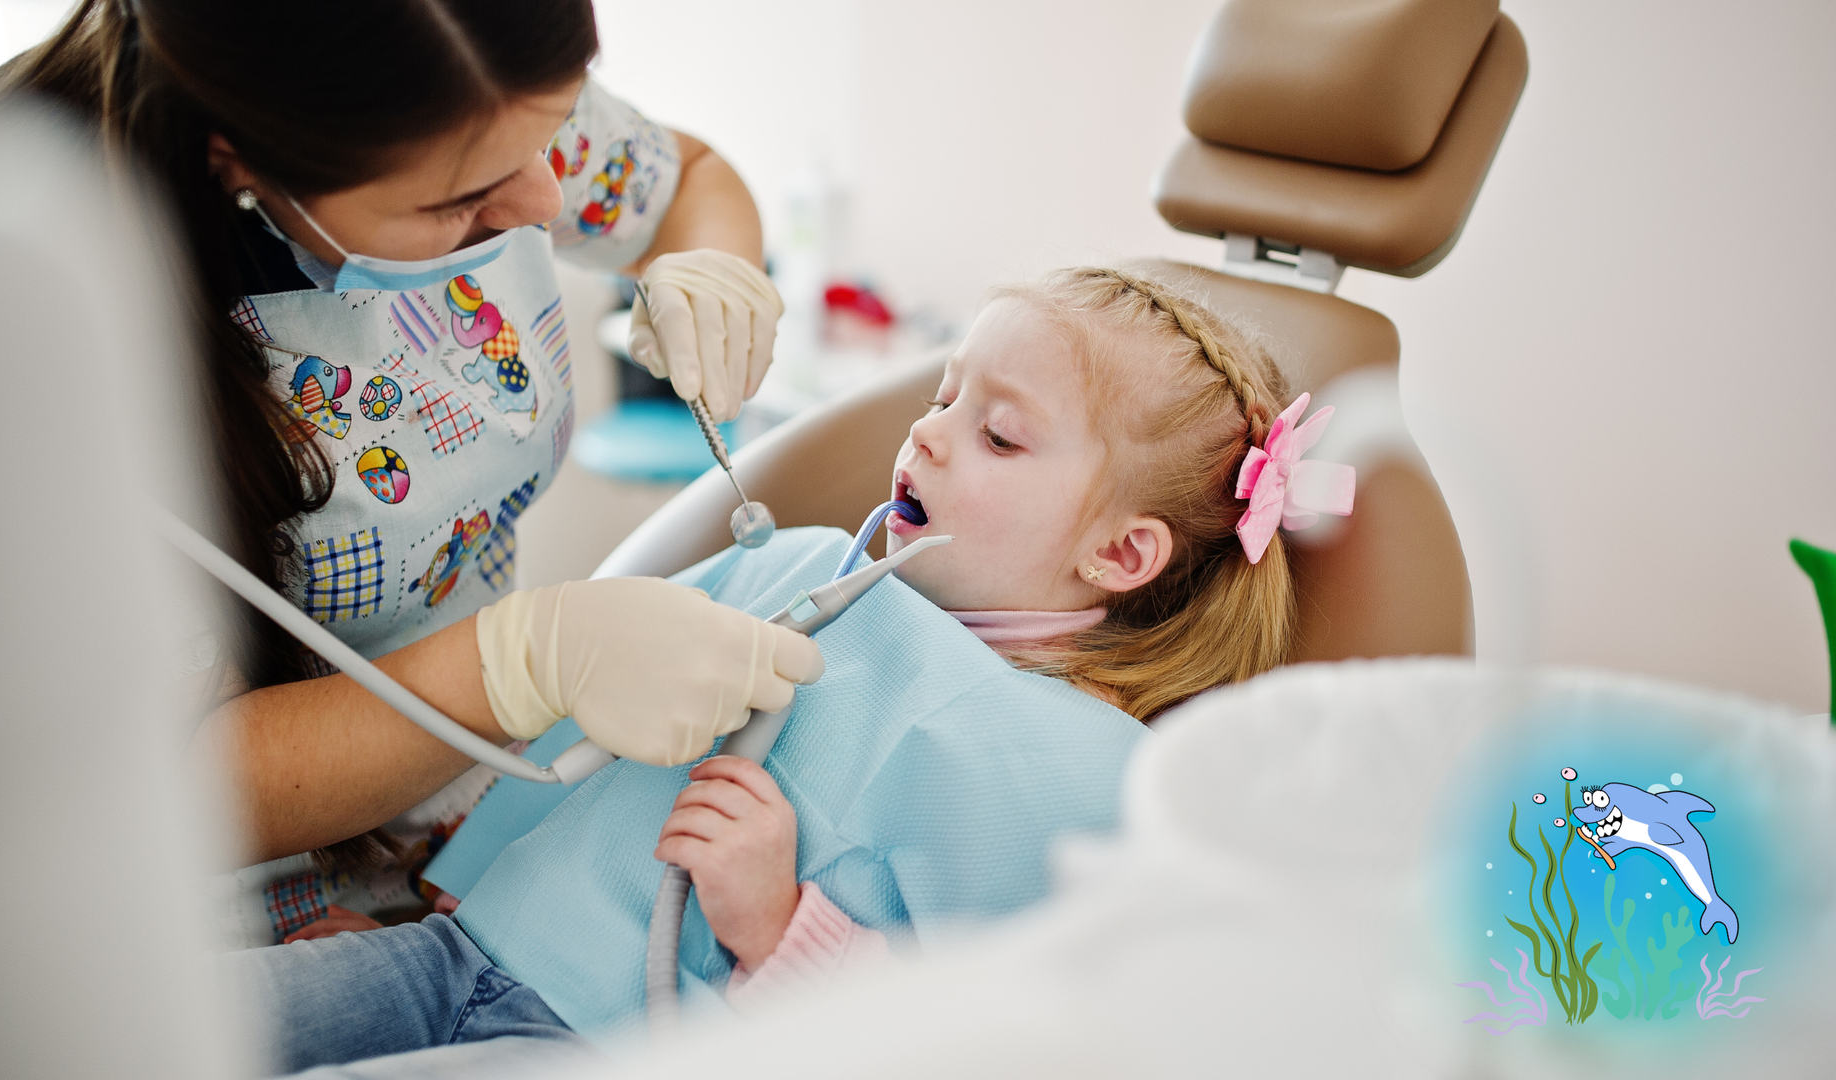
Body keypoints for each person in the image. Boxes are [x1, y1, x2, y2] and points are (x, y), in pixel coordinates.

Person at [223, 266, 1356, 1073]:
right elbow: (577, 753)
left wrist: (779, 924)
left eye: (1000, 436)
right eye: (944, 395)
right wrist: (437, 904)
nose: (932, 435)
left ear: (1119, 551)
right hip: (450, 954)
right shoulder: (802, 561)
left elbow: (983, 1036)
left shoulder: (1074, 766)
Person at [0, 0, 826, 935]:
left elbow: (686, 176)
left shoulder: (470, 92)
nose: (542, 202)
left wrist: (713, 263)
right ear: (237, 157)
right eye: (459, 202)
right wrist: (519, 664)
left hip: (471, 821)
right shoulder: (23, 321)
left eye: (548, 140)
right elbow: (160, 779)